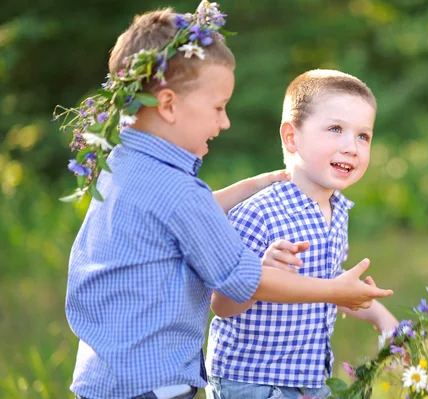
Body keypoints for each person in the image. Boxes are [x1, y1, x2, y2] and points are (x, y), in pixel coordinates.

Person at [62, 3, 393, 399]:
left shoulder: (124, 161)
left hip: (104, 374)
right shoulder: (179, 191)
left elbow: (180, 219)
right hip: (151, 383)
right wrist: (334, 292)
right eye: (218, 108)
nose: (224, 122)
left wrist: (248, 184)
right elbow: (241, 279)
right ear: (167, 105)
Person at [205, 69, 399, 399]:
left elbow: (329, 285)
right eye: (336, 129)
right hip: (251, 381)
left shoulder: (337, 211)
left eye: (363, 136)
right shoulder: (258, 213)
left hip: (308, 380)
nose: (351, 147)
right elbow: (221, 304)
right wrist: (261, 274)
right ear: (292, 137)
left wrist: (383, 318)